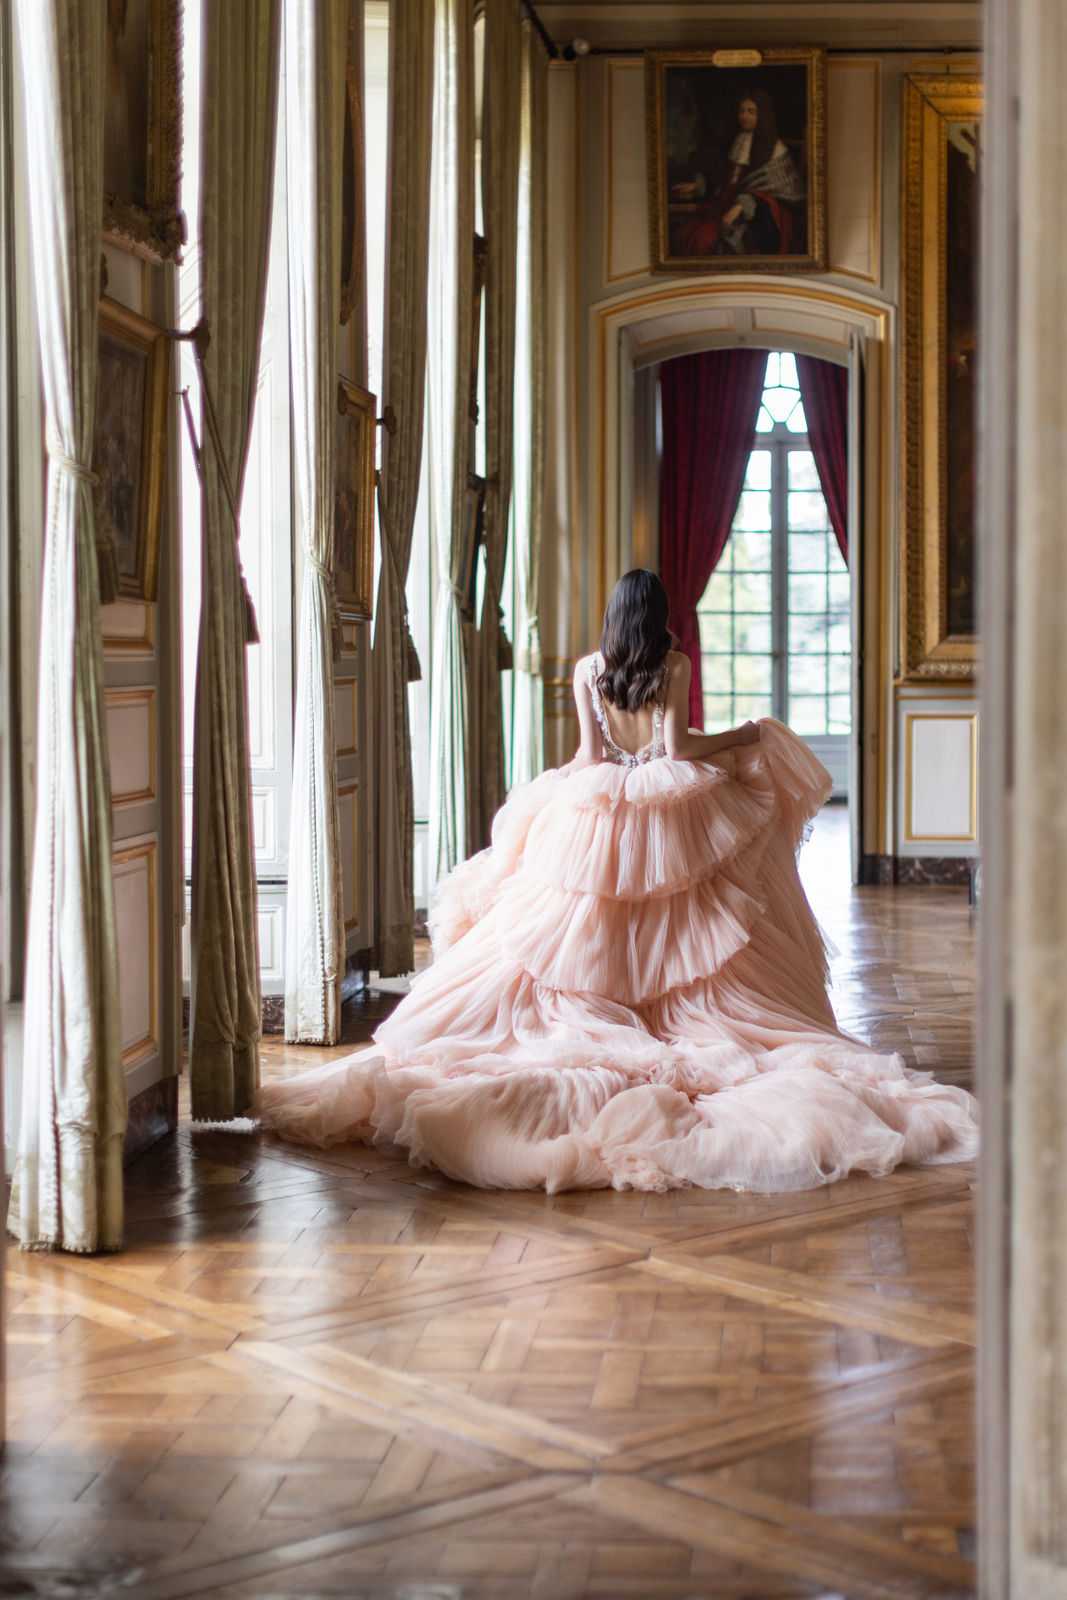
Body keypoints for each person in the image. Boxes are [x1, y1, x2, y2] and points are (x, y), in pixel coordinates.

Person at [257, 570, 978, 1194]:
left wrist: (543, 804)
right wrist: (748, 733)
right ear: (659, 614)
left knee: (585, 924)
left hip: (600, 800)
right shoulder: (673, 664)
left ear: (613, 615)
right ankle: (664, 1012)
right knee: (684, 925)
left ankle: (610, 1006)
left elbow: (585, 755)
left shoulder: (588, 667)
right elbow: (678, 748)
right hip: (665, 805)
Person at [670, 86, 804, 258]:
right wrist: (698, 185)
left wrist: (742, 205)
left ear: (762, 115)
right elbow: (726, 179)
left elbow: (785, 194)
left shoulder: (776, 150)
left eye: (751, 111)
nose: (744, 116)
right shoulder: (737, 140)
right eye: (742, 111)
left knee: (707, 240)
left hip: (758, 216)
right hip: (726, 203)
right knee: (686, 234)